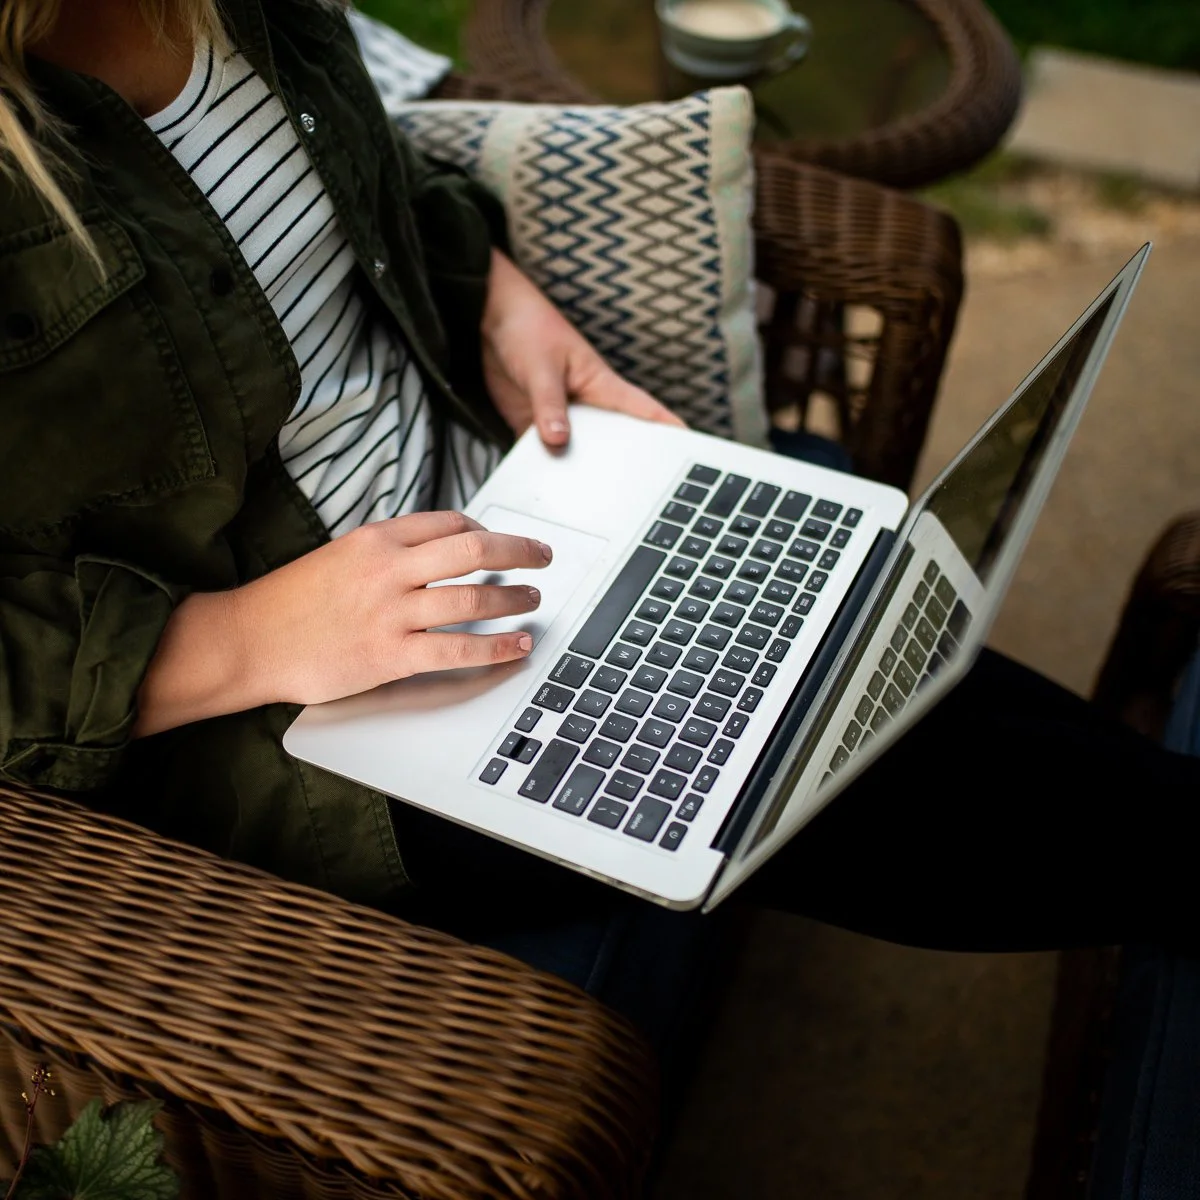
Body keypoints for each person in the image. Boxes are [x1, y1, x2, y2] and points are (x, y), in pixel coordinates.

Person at [2, 0, 1198, 1014]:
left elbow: (375, 193)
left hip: (502, 497)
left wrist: (499, 299)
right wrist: (239, 639)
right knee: (832, 754)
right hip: (290, 728)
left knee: (857, 616)